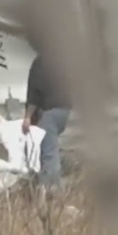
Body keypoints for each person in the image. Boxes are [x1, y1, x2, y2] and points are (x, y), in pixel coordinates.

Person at [23, 51, 73, 189]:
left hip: (49, 111)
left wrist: (27, 117)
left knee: (49, 153)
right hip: (65, 111)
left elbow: (33, 95)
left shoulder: (40, 63)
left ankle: (51, 192)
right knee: (50, 147)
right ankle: (53, 187)